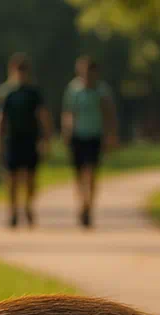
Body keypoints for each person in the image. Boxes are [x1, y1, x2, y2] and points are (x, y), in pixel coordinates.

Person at [0, 53, 53, 228]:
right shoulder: (5, 93)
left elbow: (43, 116)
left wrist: (46, 139)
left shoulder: (33, 93)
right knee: (11, 178)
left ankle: (28, 206)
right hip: (12, 140)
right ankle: (12, 211)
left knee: (31, 178)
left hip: (30, 139)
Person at [61, 56, 118, 228]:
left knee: (92, 173)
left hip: (95, 136)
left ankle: (89, 206)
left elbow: (109, 114)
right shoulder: (73, 90)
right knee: (79, 175)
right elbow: (68, 113)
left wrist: (111, 136)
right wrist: (67, 132)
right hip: (78, 137)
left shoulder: (102, 91)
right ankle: (82, 203)